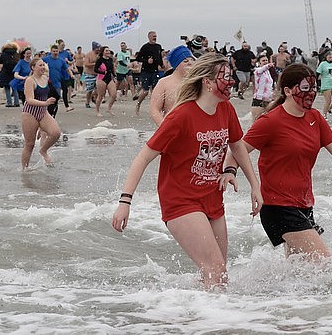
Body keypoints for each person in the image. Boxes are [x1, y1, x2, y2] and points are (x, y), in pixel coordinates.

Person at [112, 53, 262, 289]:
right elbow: (143, 158)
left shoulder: (226, 109)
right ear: (207, 81)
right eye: (225, 77)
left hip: (212, 197)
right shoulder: (181, 116)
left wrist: (253, 184)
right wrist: (125, 202)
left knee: (216, 273)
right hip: (180, 201)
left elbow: (237, 146)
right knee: (216, 270)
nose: (231, 82)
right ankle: (216, 321)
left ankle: (193, 317)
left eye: (231, 76)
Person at [221, 63, 332, 261]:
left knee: (299, 269)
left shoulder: (315, 118)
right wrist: (229, 171)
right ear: (287, 91)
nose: (312, 93)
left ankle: (270, 292)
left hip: (303, 204)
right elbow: (237, 149)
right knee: (323, 261)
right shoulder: (271, 121)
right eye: (305, 88)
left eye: (314, 87)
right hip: (277, 207)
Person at [21, 58, 61, 169]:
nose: (43, 67)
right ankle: (24, 170)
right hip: (30, 113)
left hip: (43, 113)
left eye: (43, 65)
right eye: (40, 65)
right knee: (30, 144)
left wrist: (47, 104)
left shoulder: (45, 78)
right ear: (33, 68)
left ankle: (43, 150)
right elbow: (29, 100)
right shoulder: (30, 80)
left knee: (56, 133)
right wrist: (46, 103)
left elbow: (47, 70)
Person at [149, 45, 195, 126]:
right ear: (176, 65)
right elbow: (154, 109)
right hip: (172, 127)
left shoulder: (198, 82)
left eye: (192, 60)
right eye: (185, 61)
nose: (190, 63)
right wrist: (164, 128)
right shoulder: (164, 83)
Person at [135, 31, 164, 115]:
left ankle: (155, 109)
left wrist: (161, 65)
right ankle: (138, 105)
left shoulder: (158, 46)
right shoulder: (145, 47)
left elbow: (159, 58)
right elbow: (138, 58)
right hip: (146, 71)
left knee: (155, 91)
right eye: (153, 36)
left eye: (156, 36)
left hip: (155, 71)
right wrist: (147, 61)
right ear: (149, 37)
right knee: (145, 91)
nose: (155, 37)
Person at [94, 46, 117, 117]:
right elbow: (95, 69)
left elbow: (112, 68)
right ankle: (97, 111)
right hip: (101, 79)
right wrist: (103, 72)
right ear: (103, 52)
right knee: (100, 96)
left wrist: (114, 76)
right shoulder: (100, 60)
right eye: (106, 51)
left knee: (114, 95)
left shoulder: (110, 59)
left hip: (109, 79)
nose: (108, 52)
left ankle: (109, 109)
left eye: (109, 51)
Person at [250, 53, 274, 121]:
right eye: (263, 60)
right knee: (256, 121)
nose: (265, 62)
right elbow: (264, 67)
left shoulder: (268, 72)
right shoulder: (257, 71)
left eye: (266, 60)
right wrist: (269, 64)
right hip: (259, 100)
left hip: (268, 99)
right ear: (259, 62)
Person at [0, 42, 20, 107]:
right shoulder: (16, 53)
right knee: (14, 88)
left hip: (6, 72)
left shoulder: (4, 54)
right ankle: (16, 102)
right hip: (14, 72)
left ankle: (9, 102)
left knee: (7, 88)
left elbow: (0, 61)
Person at [83, 41, 101, 108]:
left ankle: (94, 99)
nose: (99, 49)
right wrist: (94, 64)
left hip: (98, 74)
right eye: (97, 48)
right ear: (94, 48)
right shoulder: (88, 55)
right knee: (89, 90)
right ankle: (87, 102)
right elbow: (86, 64)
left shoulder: (99, 55)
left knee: (98, 89)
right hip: (89, 74)